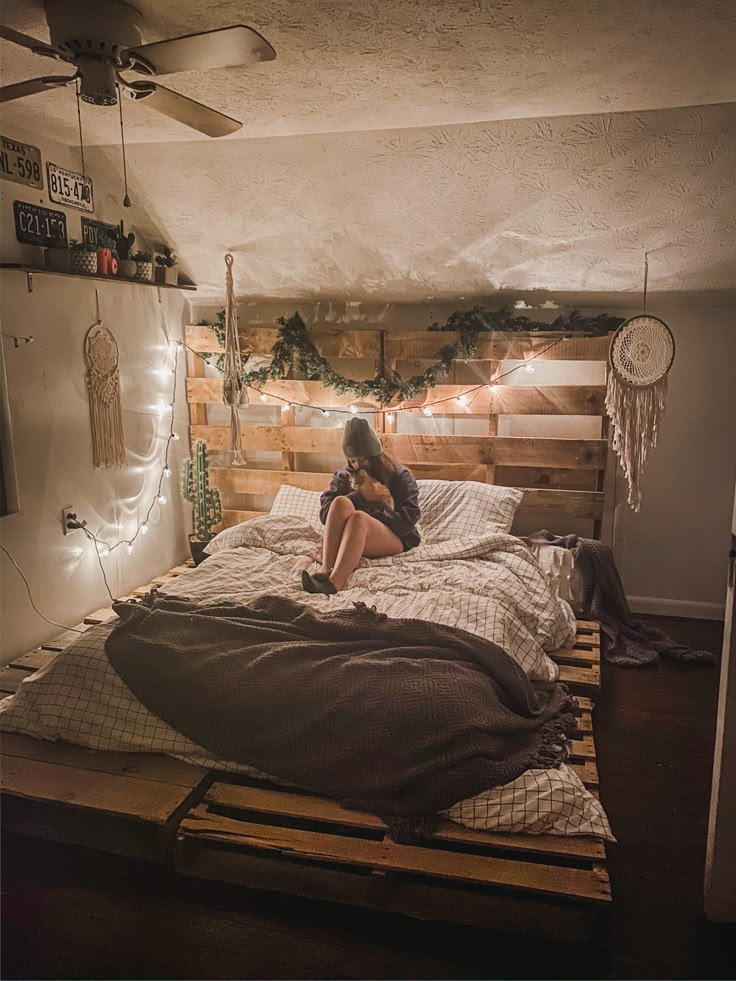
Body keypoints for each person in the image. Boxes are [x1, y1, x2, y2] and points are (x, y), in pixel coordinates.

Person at [302, 416, 421, 595]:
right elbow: (326, 515)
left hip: (396, 538)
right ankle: (325, 570)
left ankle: (335, 583)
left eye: (362, 459)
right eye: (352, 460)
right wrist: (360, 496)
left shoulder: (400, 476)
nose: (356, 465)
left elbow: (407, 522)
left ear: (375, 456)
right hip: (351, 537)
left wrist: (376, 508)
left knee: (359, 519)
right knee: (341, 502)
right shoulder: (344, 476)